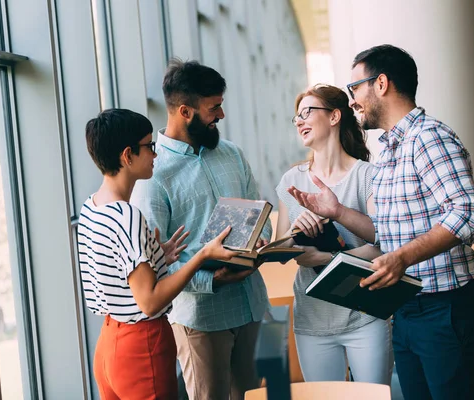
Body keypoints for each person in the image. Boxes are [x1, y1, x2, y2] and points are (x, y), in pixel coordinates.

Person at [288, 45, 474, 400]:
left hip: (444, 308)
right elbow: (386, 232)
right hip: (408, 308)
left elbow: (468, 213)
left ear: (380, 83)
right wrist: (338, 212)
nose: (352, 101)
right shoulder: (390, 150)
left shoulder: (429, 138)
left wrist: (402, 258)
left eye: (355, 89)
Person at [131, 60, 272, 400]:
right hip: (201, 319)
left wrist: (262, 240)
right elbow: (154, 266)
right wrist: (213, 279)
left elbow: (259, 213)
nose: (221, 115)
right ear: (185, 111)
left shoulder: (232, 154)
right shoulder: (154, 176)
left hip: (251, 305)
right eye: (214, 108)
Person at [78, 108, 238, 399]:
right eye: (149, 147)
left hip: (109, 344)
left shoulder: (92, 207)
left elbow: (115, 275)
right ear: (127, 155)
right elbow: (150, 302)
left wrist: (155, 258)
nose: (155, 154)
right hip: (141, 345)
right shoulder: (127, 216)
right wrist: (201, 256)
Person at [275, 84, 393, 384]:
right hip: (313, 318)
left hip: (365, 313)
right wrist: (296, 231)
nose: (299, 121)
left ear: (334, 117)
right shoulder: (291, 180)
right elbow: (282, 253)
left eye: (307, 113)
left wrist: (327, 256)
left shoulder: (368, 175)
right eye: (296, 117)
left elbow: (385, 245)